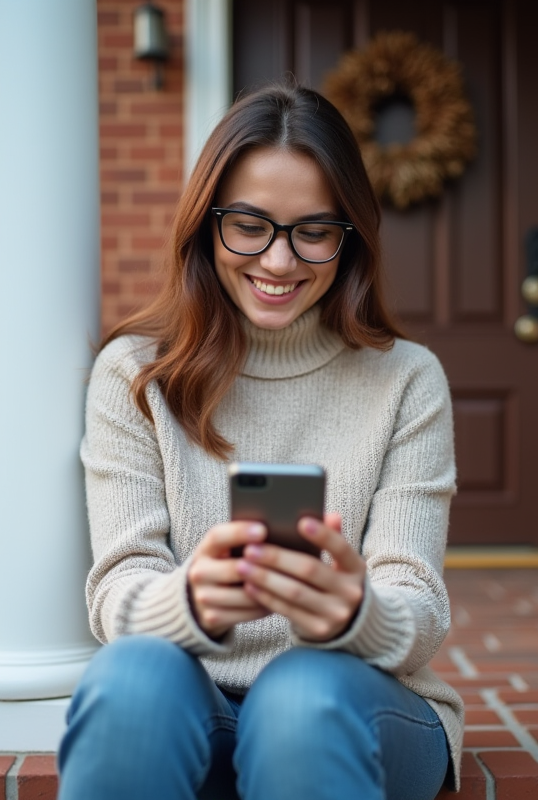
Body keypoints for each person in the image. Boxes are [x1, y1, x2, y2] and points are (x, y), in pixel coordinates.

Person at [57, 80, 463, 800]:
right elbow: (118, 587)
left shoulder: (406, 381)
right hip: (195, 708)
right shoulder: (134, 375)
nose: (279, 262)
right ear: (205, 222)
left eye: (313, 231)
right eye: (249, 224)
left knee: (297, 699)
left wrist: (356, 611)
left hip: (357, 707)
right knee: (129, 682)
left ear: (351, 235)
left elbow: (420, 609)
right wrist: (191, 600)